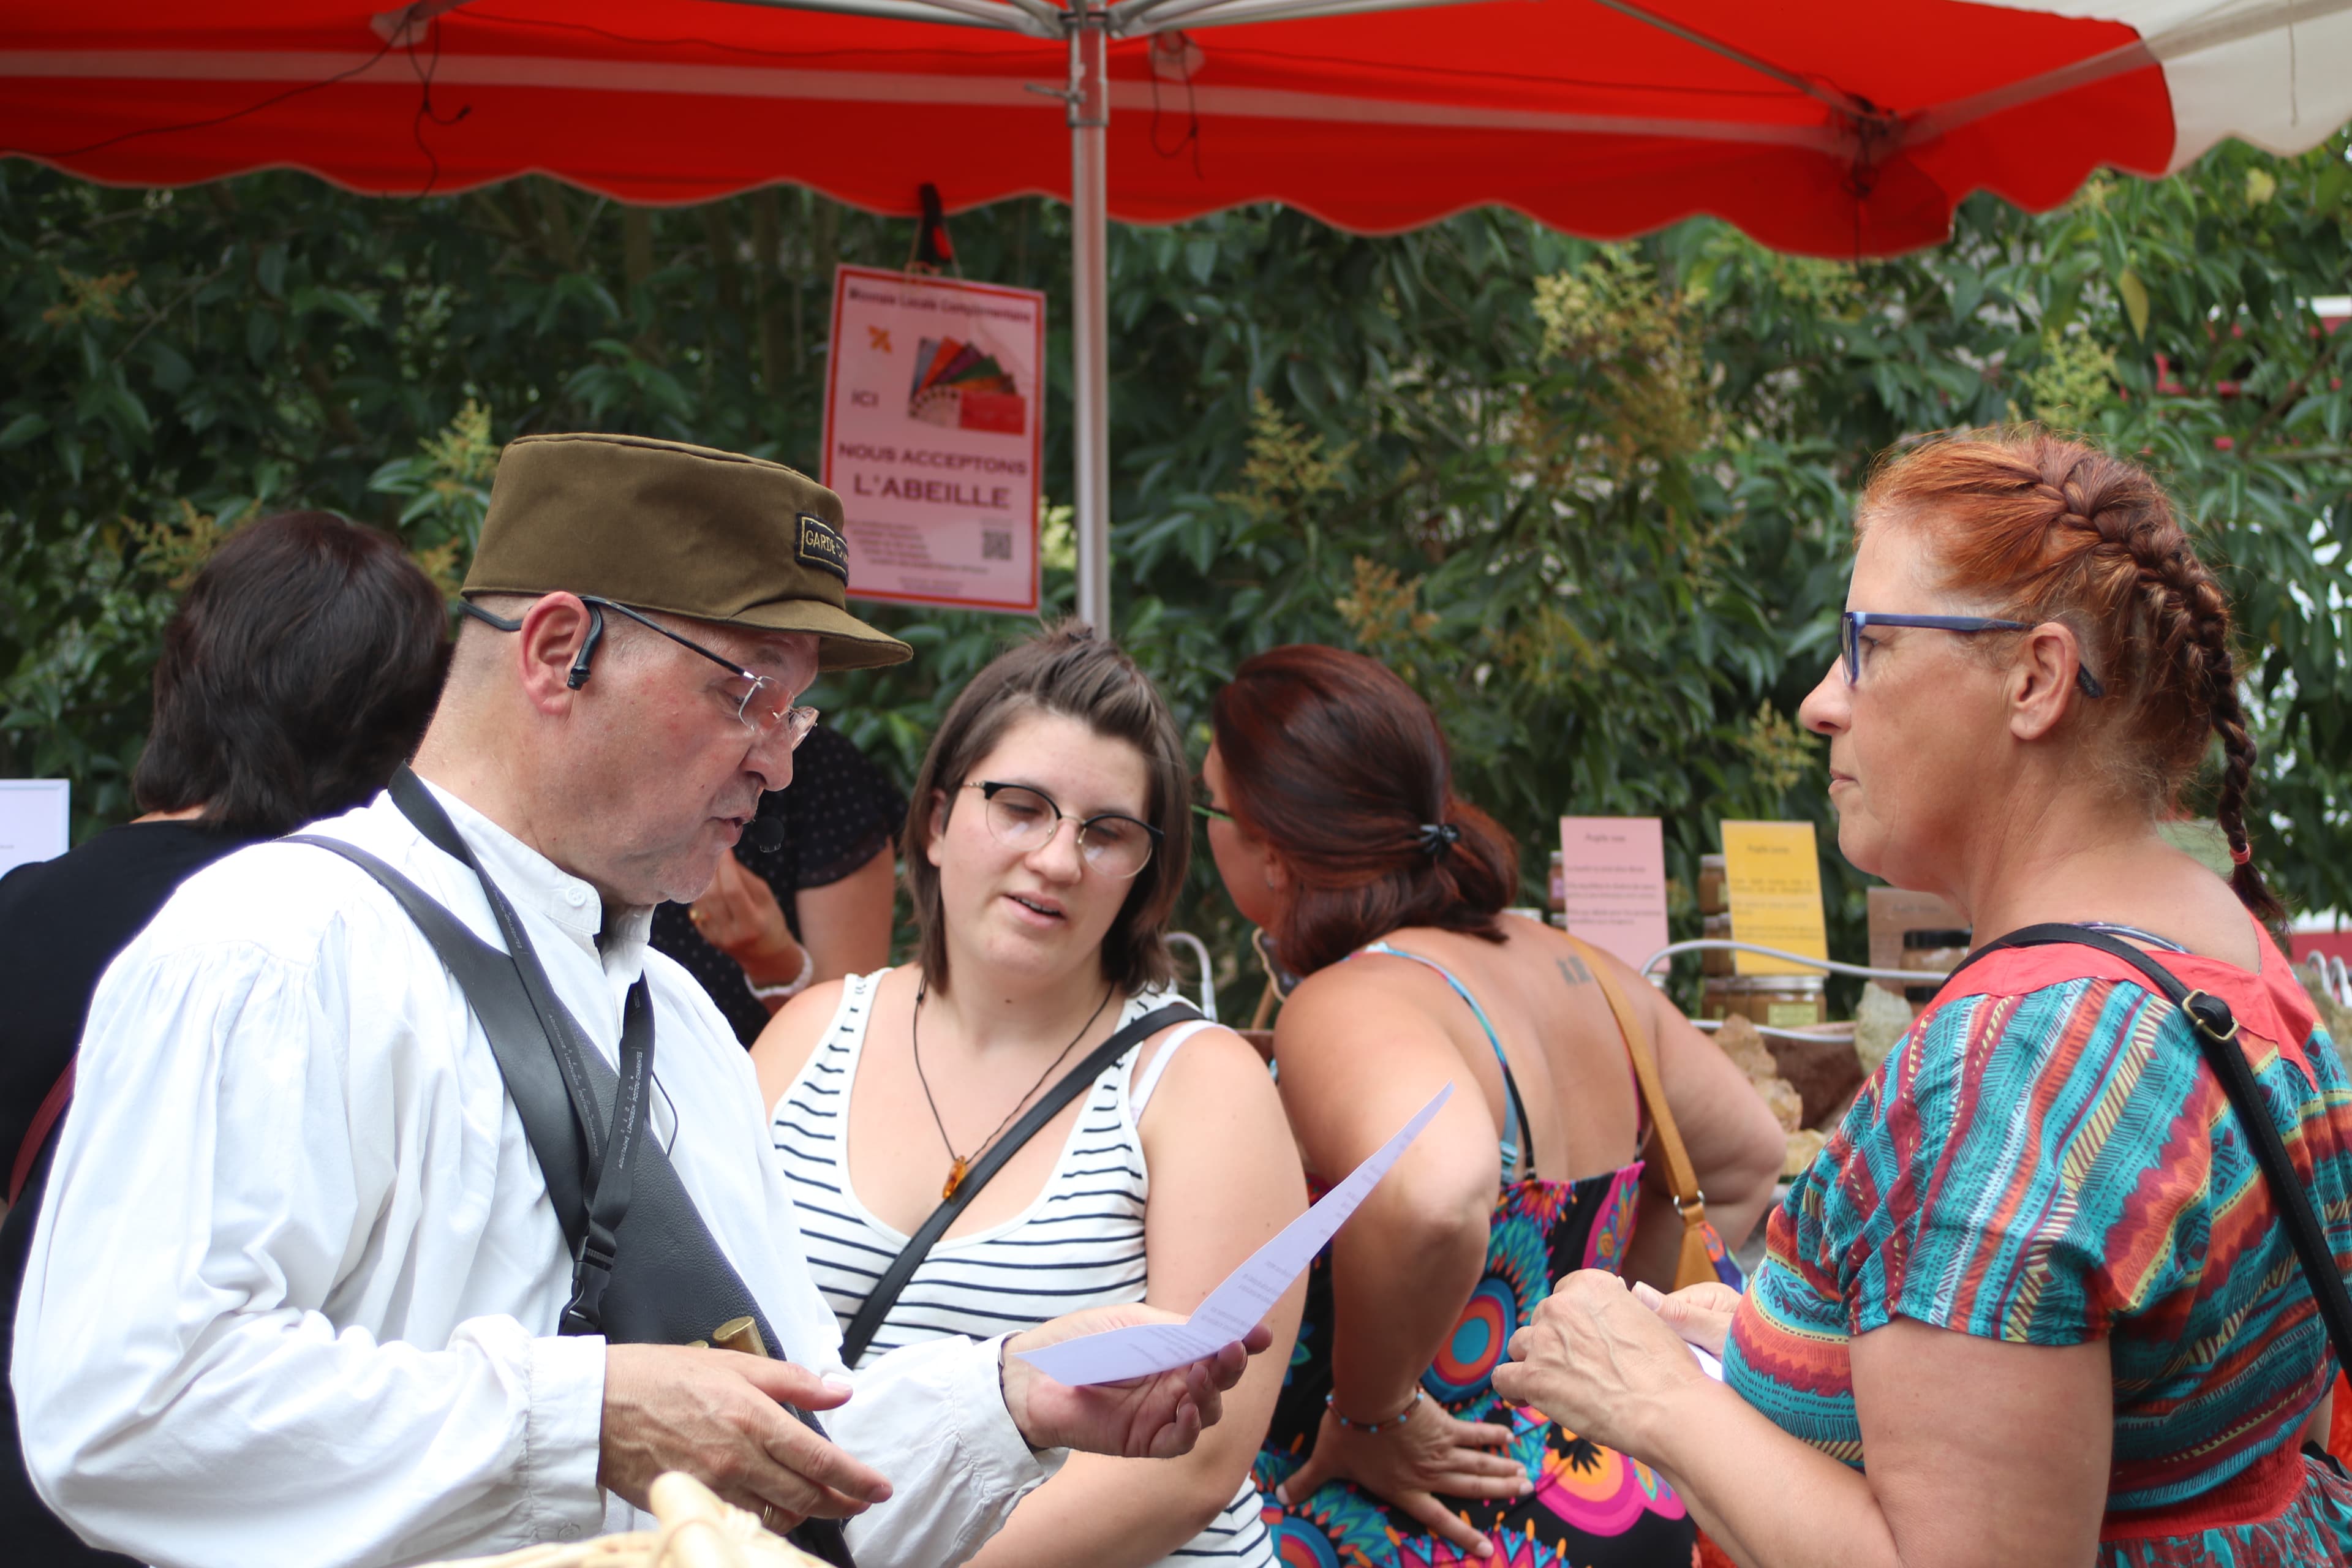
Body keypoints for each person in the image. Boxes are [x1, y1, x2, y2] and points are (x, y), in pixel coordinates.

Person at [13, 434, 1267, 1568]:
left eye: (798, 705)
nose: (781, 758)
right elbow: (126, 1410)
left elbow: (790, 1458)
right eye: (749, 692)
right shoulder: (282, 948)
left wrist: (1007, 1394)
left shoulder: (676, 1018)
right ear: (563, 651)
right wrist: (588, 1413)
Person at [1491, 428, 2352, 1566]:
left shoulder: (2015, 1060)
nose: (1820, 704)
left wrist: (1656, 1402)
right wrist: (1770, 1347)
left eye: (1867, 646)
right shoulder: (2214, 936)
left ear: (2036, 680)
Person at [1199, 643, 1784, 1565]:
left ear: (1272, 850)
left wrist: (1375, 1412)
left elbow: (1433, 1193)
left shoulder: (1354, 999)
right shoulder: (1577, 964)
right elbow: (1746, 1156)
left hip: (1432, 1527)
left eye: (1213, 810)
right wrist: (1603, 1324)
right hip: (1618, 1499)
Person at [753, 624, 1306, 1568]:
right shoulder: (807, 1038)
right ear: (933, 822)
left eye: (1107, 833)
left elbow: (1191, 1466)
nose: (1056, 860)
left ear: (1143, 874)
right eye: (1021, 807)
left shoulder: (1197, 1082)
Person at [0, 510, 450, 1568]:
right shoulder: (391, 940)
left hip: (36, 1463)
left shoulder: (27, 914)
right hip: (282, 1497)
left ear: (187, 680)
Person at [654, 724, 906, 1043]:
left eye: (789, 713)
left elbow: (851, 1047)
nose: (776, 771)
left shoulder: (822, 777)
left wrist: (774, 963)